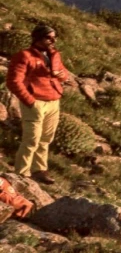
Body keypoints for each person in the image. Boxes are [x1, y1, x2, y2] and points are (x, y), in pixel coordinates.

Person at [7, 24, 72, 184]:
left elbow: (65, 75)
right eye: (49, 37)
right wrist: (29, 101)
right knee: (31, 139)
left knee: (46, 138)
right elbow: (14, 81)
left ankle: (39, 170)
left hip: (53, 101)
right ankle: (22, 173)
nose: (53, 40)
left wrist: (60, 74)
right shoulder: (24, 56)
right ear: (38, 38)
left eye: (54, 37)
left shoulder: (54, 55)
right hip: (35, 102)